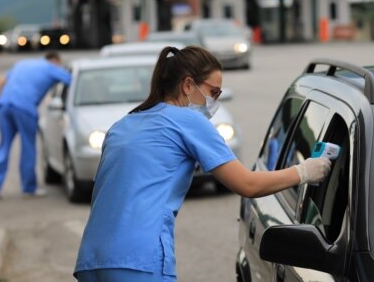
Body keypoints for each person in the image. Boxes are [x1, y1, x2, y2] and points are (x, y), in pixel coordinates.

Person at [73, 45, 331, 282]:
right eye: (213, 92)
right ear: (187, 85)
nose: (214, 102)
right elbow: (248, 184)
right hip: (137, 258)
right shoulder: (188, 120)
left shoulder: (122, 125)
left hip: (92, 259)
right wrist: (304, 171)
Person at [0, 50, 72, 199]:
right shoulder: (51, 68)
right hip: (24, 109)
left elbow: (0, 81)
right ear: (55, 60)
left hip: (4, 106)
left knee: (3, 147)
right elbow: (71, 80)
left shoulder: (22, 64)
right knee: (28, 147)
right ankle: (29, 188)